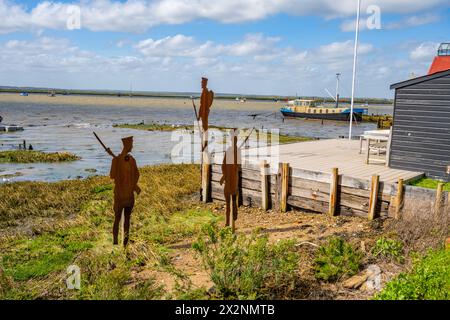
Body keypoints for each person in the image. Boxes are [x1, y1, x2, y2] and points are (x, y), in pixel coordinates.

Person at [109, 136, 141, 246]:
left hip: (120, 195)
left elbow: (112, 175)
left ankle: (116, 242)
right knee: (125, 219)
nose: (132, 146)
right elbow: (136, 175)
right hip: (127, 195)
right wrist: (133, 185)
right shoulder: (130, 160)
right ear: (127, 145)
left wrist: (116, 163)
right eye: (131, 144)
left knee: (118, 218)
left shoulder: (121, 160)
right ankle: (123, 242)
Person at [220, 129, 241, 229]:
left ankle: (232, 223)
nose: (234, 140)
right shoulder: (229, 150)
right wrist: (224, 176)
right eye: (233, 139)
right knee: (227, 203)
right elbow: (223, 165)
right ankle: (227, 223)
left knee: (232, 202)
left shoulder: (237, 151)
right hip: (228, 179)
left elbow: (238, 167)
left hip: (233, 179)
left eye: (236, 139)